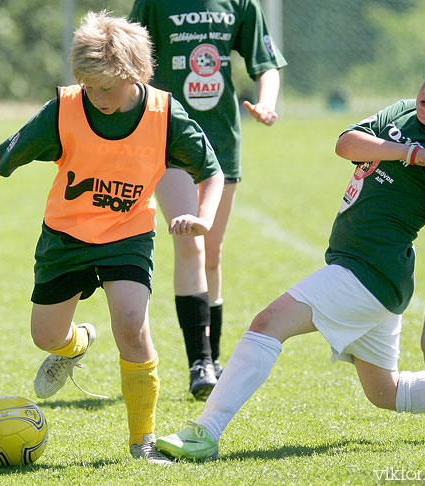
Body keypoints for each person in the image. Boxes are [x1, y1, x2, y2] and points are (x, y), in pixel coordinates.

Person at [155, 32, 425, 461]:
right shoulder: (404, 114)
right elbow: (346, 144)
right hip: (367, 276)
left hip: (369, 274)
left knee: (267, 324)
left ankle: (204, 431)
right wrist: (406, 152)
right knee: (386, 393)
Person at [0, 11, 223, 465]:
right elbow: (7, 153)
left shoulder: (164, 113)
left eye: (107, 88)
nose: (97, 97)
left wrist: (204, 219)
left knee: (133, 327)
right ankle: (75, 344)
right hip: (65, 237)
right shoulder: (65, 109)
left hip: (127, 235)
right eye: (89, 87)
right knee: (45, 336)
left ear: (136, 74)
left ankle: (143, 443)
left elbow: (210, 170)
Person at [130, 0, 287, 400]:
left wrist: (267, 102)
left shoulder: (240, 4)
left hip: (220, 140)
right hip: (167, 138)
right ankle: (199, 361)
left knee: (212, 253)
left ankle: (212, 359)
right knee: (190, 242)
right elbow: (128, 60)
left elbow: (264, 62)